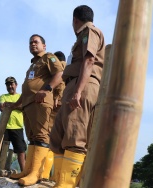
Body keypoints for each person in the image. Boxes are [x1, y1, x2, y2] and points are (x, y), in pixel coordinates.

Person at [49, 5, 105, 188]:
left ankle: (67, 184)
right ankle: (59, 181)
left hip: (84, 85)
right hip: (72, 84)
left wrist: (78, 91)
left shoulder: (89, 31)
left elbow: (89, 60)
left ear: (75, 20)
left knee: (75, 136)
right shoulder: (83, 35)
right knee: (57, 136)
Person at [7, 34, 64, 186]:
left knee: (41, 136)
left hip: (41, 102)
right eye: (30, 42)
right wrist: (15, 104)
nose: (33, 44)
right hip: (28, 104)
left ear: (44, 46)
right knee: (32, 137)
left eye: (36, 42)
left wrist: (47, 89)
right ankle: (28, 171)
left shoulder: (49, 57)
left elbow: (59, 74)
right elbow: (27, 89)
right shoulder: (33, 64)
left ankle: (36, 173)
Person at [40, 51, 66, 181]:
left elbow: (60, 82)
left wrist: (56, 97)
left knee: (50, 139)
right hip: (67, 106)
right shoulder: (70, 66)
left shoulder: (60, 65)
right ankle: (57, 176)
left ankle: (44, 174)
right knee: (62, 142)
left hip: (58, 105)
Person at [0, 76, 26, 172]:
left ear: (16, 85)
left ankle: (23, 172)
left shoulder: (20, 96)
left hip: (17, 127)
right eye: (8, 85)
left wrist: (11, 105)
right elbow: (1, 107)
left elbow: (24, 107)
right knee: (0, 150)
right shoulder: (3, 96)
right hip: (4, 127)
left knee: (21, 151)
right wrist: (15, 105)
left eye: (12, 84)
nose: (10, 86)